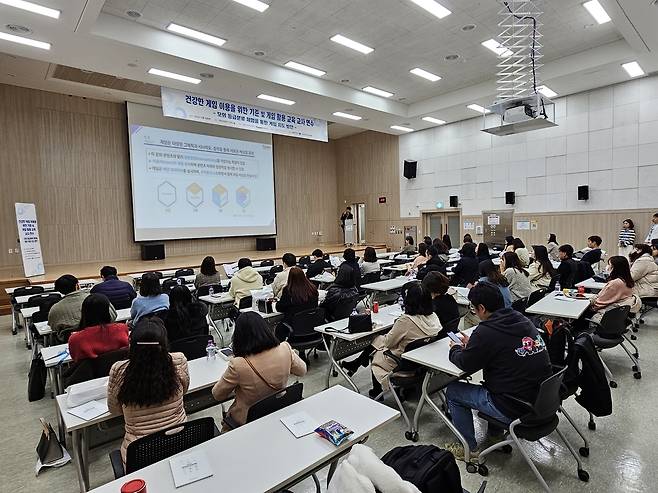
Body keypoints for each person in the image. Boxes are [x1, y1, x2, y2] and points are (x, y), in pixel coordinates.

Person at [444, 282, 552, 459]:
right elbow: (502, 346)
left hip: (514, 406)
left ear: (482, 308)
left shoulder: (487, 330)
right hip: (541, 400)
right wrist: (475, 343)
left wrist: (455, 348)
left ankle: (468, 449)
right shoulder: (521, 318)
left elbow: (465, 363)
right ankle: (495, 436)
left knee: (454, 391)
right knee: (500, 381)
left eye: (474, 308)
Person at [107, 317, 189, 464]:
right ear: (164, 343)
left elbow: (114, 410)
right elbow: (184, 390)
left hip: (140, 454)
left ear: (131, 344)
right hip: (181, 444)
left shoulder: (119, 370)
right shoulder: (178, 360)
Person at [341, 283, 441, 398]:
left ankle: (376, 390)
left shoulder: (406, 321)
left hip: (400, 361)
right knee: (378, 339)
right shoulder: (433, 316)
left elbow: (389, 343)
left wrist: (396, 326)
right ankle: (357, 363)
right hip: (418, 359)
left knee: (377, 348)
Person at [212, 312, 307, 431]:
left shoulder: (238, 364)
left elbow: (217, 395)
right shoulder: (285, 348)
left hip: (247, 420)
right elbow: (302, 371)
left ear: (238, 336)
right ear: (265, 329)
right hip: (279, 409)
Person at [575, 256, 638, 330]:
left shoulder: (616, 283)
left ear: (615, 268)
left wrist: (589, 302)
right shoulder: (627, 281)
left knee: (578, 314)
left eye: (609, 265)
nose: (607, 267)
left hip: (605, 316)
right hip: (616, 316)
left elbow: (599, 303)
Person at [68, 294, 129, 362]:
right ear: (107, 311)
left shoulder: (75, 339)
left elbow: (76, 360)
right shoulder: (121, 329)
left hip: (91, 372)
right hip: (119, 370)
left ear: (84, 312)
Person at [49, 274, 108, 343]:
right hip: (101, 337)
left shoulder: (55, 308)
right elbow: (113, 316)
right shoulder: (97, 299)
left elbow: (53, 327)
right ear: (77, 285)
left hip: (72, 342)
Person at [275, 267, 319, 340]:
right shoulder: (312, 288)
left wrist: (277, 303)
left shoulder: (288, 291)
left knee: (278, 328)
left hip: (294, 328)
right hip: (311, 328)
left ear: (290, 278)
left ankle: (282, 350)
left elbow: (280, 307)